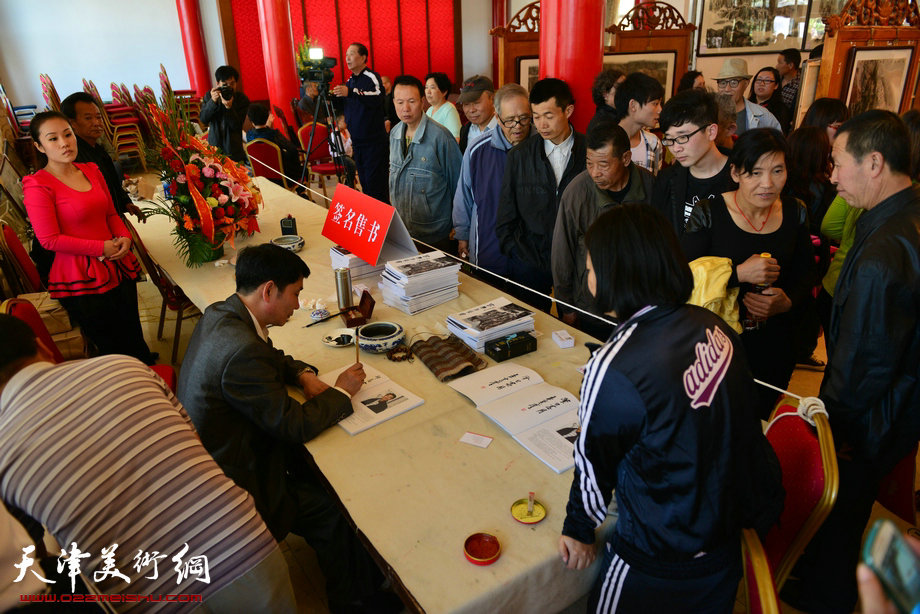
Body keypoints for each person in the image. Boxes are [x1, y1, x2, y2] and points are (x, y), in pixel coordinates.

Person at [558, 204, 783, 612]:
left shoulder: (614, 366)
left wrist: (578, 528)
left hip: (658, 556)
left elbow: (592, 464)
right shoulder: (712, 325)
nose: (587, 278)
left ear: (616, 275)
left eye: (590, 268)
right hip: (723, 540)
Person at [0, 314, 298, 611]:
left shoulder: (3, 451)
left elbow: (30, 559)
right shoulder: (124, 366)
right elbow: (190, 442)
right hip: (244, 548)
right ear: (43, 347)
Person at [177, 243, 398, 613]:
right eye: (294, 294)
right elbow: (293, 425)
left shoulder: (224, 313)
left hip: (217, 455)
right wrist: (342, 390)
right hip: (238, 482)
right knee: (333, 507)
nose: (297, 305)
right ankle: (354, 601)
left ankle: (364, 579)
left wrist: (302, 374)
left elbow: (268, 356)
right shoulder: (240, 350)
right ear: (268, 290)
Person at [783, 110, 920, 614]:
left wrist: (827, 422)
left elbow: (865, 362)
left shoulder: (887, 249)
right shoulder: (901, 214)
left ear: (875, 162)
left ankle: (827, 597)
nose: (832, 175)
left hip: (870, 420)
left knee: (841, 516)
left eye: (839, 164)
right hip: (897, 408)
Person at [681, 128, 815, 418]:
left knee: (762, 416)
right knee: (716, 417)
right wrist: (738, 273)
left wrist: (786, 301)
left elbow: (807, 273)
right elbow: (684, 277)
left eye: (777, 171)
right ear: (735, 173)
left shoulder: (796, 212)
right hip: (716, 345)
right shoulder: (708, 212)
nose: (767, 183)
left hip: (776, 344)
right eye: (754, 173)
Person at [22, 111, 155, 365]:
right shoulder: (38, 185)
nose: (64, 143)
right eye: (53, 139)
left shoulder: (91, 170)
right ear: (40, 146)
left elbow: (110, 213)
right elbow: (49, 239)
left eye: (67, 134)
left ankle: (147, 371)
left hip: (118, 264)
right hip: (80, 275)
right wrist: (100, 248)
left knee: (133, 332)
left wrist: (124, 237)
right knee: (110, 347)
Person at [552, 120, 653, 340]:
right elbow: (562, 253)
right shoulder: (577, 193)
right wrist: (566, 308)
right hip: (590, 311)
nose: (595, 173)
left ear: (626, 158)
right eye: (589, 163)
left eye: (603, 165)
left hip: (638, 312)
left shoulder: (650, 187)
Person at [496, 77, 586, 312]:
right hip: (530, 264)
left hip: (579, 265)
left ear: (568, 110)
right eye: (536, 117)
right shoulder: (520, 156)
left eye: (548, 116)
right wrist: (518, 256)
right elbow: (506, 216)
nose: (541, 124)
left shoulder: (589, 153)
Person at [453, 83, 532, 277]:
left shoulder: (540, 148)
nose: (518, 127)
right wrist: (462, 235)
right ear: (498, 117)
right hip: (488, 245)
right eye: (510, 120)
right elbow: (464, 196)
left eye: (523, 119)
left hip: (531, 254)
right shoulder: (477, 149)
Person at [389, 75, 462, 252]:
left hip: (435, 235)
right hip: (403, 232)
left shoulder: (441, 138)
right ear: (393, 103)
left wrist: (460, 229)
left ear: (422, 102)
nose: (405, 108)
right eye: (400, 102)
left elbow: (459, 186)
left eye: (411, 101)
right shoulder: (394, 133)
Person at [652, 88, 737, 236]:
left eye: (683, 137)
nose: (676, 148)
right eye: (670, 139)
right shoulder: (667, 180)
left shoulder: (741, 177)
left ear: (711, 132)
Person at [60, 92, 144, 221]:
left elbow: (112, 184)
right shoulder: (74, 157)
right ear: (72, 124)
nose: (96, 123)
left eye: (98, 117)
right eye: (88, 118)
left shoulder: (96, 148)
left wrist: (125, 202)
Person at [332, 42, 390, 203]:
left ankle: (385, 223)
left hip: (374, 142)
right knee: (365, 183)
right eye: (346, 55)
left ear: (363, 57)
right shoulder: (350, 80)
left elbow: (378, 96)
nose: (347, 58)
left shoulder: (371, 76)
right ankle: (373, 222)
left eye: (351, 54)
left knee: (376, 185)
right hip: (358, 142)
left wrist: (351, 92)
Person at [714, 58, 781, 135]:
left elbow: (778, 144)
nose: (727, 89)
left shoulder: (764, 117)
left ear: (746, 84)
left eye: (733, 82)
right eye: (722, 83)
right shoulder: (707, 112)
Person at [614, 72, 664, 175]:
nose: (660, 110)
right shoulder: (607, 141)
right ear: (633, 105)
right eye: (655, 104)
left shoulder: (653, 143)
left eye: (660, 103)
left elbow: (654, 184)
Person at [200, 65, 250, 162]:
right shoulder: (209, 96)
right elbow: (203, 119)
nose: (229, 87)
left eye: (232, 83)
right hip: (214, 149)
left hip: (234, 150)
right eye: (225, 84)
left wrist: (229, 107)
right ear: (217, 83)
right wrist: (212, 102)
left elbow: (236, 126)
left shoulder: (241, 99)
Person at [245, 103, 302, 182]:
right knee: (303, 170)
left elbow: (261, 133)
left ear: (251, 120)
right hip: (281, 177)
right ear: (267, 117)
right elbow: (292, 149)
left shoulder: (249, 135)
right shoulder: (274, 134)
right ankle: (301, 191)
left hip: (261, 177)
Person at [457, 75, 498, 153]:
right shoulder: (465, 130)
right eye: (466, 104)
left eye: (476, 103)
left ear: (492, 99)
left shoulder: (505, 129)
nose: (472, 110)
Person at [747, 66, 791, 133]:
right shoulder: (746, 104)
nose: (762, 84)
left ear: (776, 85)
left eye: (767, 80)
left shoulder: (781, 110)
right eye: (759, 80)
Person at [424, 72, 462, 141]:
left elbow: (456, 139)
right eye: (426, 87)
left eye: (432, 88)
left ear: (444, 92)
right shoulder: (430, 110)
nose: (428, 92)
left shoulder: (449, 110)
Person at [776, 48, 802, 118]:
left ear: (790, 65)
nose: (776, 66)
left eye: (779, 63)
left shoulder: (801, 85)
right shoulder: (776, 78)